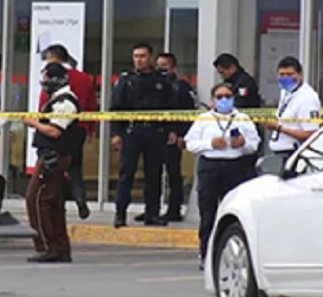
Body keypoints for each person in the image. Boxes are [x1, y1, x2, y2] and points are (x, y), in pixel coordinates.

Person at [184, 82, 260, 270]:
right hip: (210, 167)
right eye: (220, 97)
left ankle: (233, 254)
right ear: (212, 101)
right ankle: (206, 254)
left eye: (227, 96)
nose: (224, 100)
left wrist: (242, 143)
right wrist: (210, 144)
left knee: (234, 213)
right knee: (208, 213)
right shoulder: (204, 119)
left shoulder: (242, 118)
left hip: (235, 167)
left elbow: (254, 143)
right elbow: (190, 143)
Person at [110, 42, 179, 228]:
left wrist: (172, 130)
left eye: (143, 56)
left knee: (154, 174)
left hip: (155, 132)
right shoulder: (126, 80)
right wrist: (116, 133)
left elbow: (171, 107)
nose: (139, 60)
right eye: (136, 56)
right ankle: (120, 214)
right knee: (126, 174)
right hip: (132, 132)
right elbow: (116, 108)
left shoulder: (162, 81)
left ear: (150, 58)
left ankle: (152, 214)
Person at [22, 62, 83, 263]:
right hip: (51, 155)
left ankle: (47, 247)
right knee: (53, 202)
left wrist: (33, 123)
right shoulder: (56, 100)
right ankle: (59, 248)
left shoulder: (65, 102)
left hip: (54, 157)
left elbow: (55, 131)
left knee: (37, 200)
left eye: (46, 79)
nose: (44, 83)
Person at [38, 43, 98, 220]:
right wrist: (90, 128)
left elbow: (44, 103)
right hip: (77, 129)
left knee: (53, 167)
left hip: (55, 128)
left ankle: (58, 200)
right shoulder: (85, 78)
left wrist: (39, 122)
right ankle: (80, 199)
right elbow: (91, 105)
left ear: (54, 58)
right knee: (75, 167)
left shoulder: (53, 78)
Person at [151, 52, 197, 222]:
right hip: (154, 135)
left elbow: (188, 113)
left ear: (173, 67)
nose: (161, 69)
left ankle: (174, 208)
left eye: (165, 65)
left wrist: (180, 134)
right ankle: (152, 209)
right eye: (159, 65)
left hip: (172, 136)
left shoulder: (181, 86)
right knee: (153, 173)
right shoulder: (154, 85)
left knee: (173, 175)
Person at [262, 56, 322, 160]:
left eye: (290, 74)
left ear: (300, 75)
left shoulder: (307, 98)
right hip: (279, 152)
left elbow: (311, 133)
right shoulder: (286, 92)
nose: (285, 78)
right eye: (281, 75)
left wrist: (278, 127)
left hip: (294, 153)